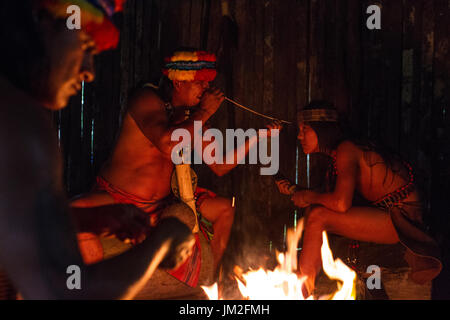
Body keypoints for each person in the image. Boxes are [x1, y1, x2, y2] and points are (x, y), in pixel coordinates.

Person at [0, 0, 194, 299]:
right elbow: (66, 291)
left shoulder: (17, 111)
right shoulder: (20, 124)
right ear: (41, 23)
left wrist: (89, 220)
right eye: (86, 47)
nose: (89, 71)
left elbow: (18, 220)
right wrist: (160, 244)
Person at [71, 48, 282, 287]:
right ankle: (91, 291)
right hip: (119, 199)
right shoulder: (146, 99)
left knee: (224, 209)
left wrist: (258, 137)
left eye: (207, 84)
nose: (205, 89)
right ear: (178, 81)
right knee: (77, 214)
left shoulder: (194, 117)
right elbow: (167, 143)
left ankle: (208, 284)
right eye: (200, 83)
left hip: (161, 205)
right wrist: (204, 113)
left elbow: (220, 165)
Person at [275, 101, 442, 296]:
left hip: (402, 221)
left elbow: (340, 203)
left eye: (305, 129)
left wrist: (308, 196)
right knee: (315, 212)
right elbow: (334, 199)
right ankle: (304, 284)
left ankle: (301, 290)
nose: (299, 136)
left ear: (322, 130)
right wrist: (299, 192)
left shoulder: (346, 150)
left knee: (318, 217)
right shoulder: (344, 151)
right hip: (392, 216)